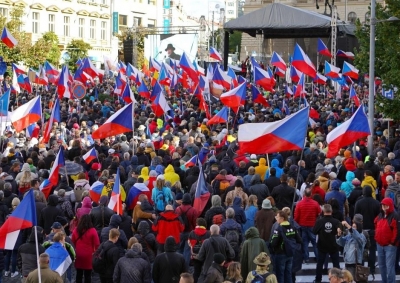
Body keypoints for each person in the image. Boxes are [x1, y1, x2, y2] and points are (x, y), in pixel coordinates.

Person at [354, 185, 380, 276]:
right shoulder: (376, 203)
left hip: (361, 229)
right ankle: (371, 268)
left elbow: (356, 217)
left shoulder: (359, 203)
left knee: (361, 250)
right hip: (373, 229)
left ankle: (361, 268)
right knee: (372, 250)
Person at [270, 210, 302, 283]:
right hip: (290, 253)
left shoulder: (278, 228)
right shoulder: (293, 227)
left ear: (282, 218)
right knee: (288, 274)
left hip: (280, 253)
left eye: (277, 217)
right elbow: (299, 240)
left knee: (280, 274)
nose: (276, 218)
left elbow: (273, 243)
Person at [313, 204, 341, 283]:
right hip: (333, 244)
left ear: (323, 211)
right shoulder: (336, 221)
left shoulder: (319, 221)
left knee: (320, 264)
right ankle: (338, 279)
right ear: (331, 211)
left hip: (322, 245)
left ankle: (318, 279)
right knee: (336, 264)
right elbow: (340, 233)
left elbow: (314, 231)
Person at [375, 197, 399, 283]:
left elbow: (397, 231)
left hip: (390, 246)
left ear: (390, 206)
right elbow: (376, 224)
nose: (384, 208)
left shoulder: (395, 216)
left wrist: (392, 243)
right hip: (380, 244)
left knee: (389, 266)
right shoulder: (381, 214)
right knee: (382, 266)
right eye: (383, 206)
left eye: (386, 206)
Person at [294, 188, 321, 263]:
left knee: (304, 242)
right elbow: (319, 213)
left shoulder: (299, 204)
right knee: (314, 242)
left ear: (304, 194)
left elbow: (296, 216)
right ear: (311, 194)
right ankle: (318, 257)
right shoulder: (315, 203)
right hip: (312, 225)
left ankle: (306, 258)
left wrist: (295, 224)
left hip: (302, 225)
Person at [71, 214, 100, 283]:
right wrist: (96, 254)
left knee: (79, 274)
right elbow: (97, 244)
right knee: (88, 276)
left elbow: (72, 242)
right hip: (89, 256)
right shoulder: (93, 231)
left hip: (78, 255)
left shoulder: (76, 230)